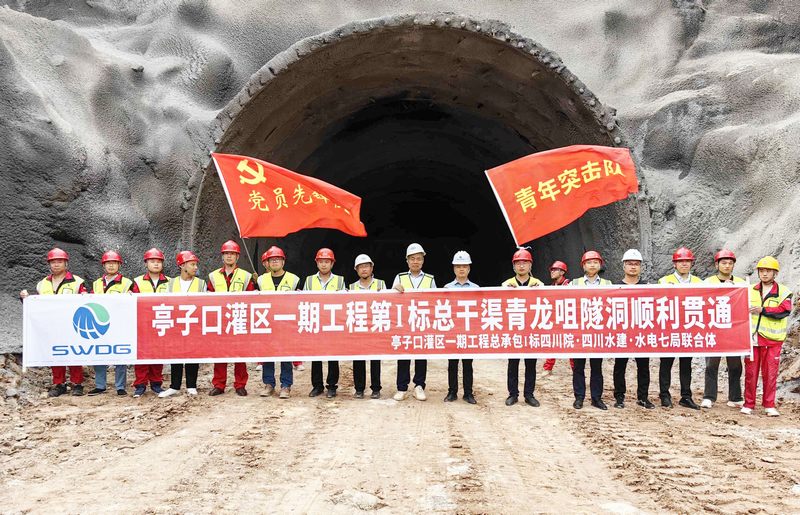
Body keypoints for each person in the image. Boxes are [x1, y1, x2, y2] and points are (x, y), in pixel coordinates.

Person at [20, 248, 87, 397]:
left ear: (66, 263)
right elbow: (37, 305)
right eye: (53, 262)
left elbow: (87, 300)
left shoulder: (77, 282)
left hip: (72, 325)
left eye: (59, 261)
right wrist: (26, 298)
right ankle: (59, 384)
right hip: (51, 326)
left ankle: (77, 384)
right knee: (55, 354)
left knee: (74, 353)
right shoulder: (42, 284)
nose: (56, 264)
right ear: (49, 264)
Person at [743, 256, 792, 416]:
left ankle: (769, 405)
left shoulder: (784, 292)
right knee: (751, 373)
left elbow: (784, 311)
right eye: (762, 271)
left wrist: (762, 310)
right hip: (753, 339)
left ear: (775, 273)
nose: (764, 274)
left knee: (770, 373)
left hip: (772, 341)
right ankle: (748, 404)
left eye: (768, 271)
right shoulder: (749, 289)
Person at [207, 240, 257, 397]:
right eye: (226, 254)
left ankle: (240, 384)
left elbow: (251, 298)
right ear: (222, 256)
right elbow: (208, 298)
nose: (229, 256)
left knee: (240, 353)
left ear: (237, 257)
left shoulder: (246, 276)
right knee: (220, 353)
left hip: (238, 318)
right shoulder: (213, 276)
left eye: (232, 254)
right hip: (220, 320)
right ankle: (219, 384)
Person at [657, 247, 702, 410]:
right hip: (669, 328)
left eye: (687, 261)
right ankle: (664, 395)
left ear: (691, 264)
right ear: (674, 264)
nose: (684, 264)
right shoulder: (664, 281)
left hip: (689, 328)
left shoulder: (699, 282)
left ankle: (686, 396)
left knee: (686, 363)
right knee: (666, 362)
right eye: (680, 261)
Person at [701, 249, 746, 409]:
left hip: (733, 329)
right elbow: (703, 302)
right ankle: (709, 397)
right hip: (714, 328)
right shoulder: (708, 282)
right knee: (711, 364)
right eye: (724, 263)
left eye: (730, 263)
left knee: (735, 365)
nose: (727, 266)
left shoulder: (741, 283)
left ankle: (735, 397)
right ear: (717, 265)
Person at [392, 243, 436, 401]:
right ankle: (402, 388)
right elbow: (391, 299)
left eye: (418, 258)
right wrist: (395, 289)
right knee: (403, 354)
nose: (415, 261)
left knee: (421, 355)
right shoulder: (400, 277)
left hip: (422, 323)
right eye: (412, 258)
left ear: (423, 261)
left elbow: (435, 301)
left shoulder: (430, 279)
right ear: (407, 261)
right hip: (404, 323)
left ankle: (419, 386)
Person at [159, 251, 207, 397]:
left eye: (196, 264)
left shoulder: (201, 283)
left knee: (193, 354)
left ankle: (191, 385)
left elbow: (205, 303)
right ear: (182, 265)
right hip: (176, 324)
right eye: (192, 264)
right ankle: (174, 386)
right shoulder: (171, 283)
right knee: (176, 355)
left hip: (193, 324)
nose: (195, 267)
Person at [612, 249, 654, 409]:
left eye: (636, 264)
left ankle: (643, 397)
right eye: (630, 263)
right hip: (622, 332)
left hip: (641, 332)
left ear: (641, 267)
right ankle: (619, 397)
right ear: (624, 266)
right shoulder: (616, 287)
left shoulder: (647, 288)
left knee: (643, 366)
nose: (633, 267)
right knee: (619, 366)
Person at [257, 246, 300, 399]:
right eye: (272, 259)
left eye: (277, 259)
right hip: (267, 321)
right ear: (267, 263)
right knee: (268, 353)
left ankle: (286, 385)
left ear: (283, 262)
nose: (275, 262)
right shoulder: (261, 280)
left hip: (286, 323)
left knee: (286, 355)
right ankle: (269, 384)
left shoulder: (294, 279)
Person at [571, 250, 612, 410]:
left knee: (597, 367)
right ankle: (579, 397)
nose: (592, 265)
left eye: (595, 262)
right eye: (589, 262)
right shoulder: (574, 283)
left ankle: (596, 398)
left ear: (600, 265)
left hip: (598, 333)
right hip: (580, 332)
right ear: (583, 266)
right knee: (578, 367)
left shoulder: (608, 284)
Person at [501, 248, 543, 407]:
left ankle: (529, 394)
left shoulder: (538, 284)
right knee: (513, 364)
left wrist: (538, 293)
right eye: (518, 263)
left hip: (531, 330)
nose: (521, 266)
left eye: (525, 262)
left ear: (530, 265)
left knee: (530, 364)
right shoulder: (506, 285)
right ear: (513, 266)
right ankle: (512, 394)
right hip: (514, 331)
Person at [88, 251, 133, 396]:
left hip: (120, 323)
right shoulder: (96, 283)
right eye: (108, 263)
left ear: (119, 265)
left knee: (120, 354)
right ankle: (100, 385)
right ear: (104, 265)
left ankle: (120, 386)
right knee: (99, 353)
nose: (111, 265)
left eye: (114, 263)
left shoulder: (127, 283)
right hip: (100, 323)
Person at [304, 248, 346, 398]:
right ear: (316, 263)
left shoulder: (340, 280)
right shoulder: (309, 280)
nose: (324, 264)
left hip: (332, 323)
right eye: (321, 261)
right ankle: (317, 386)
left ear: (332, 264)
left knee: (333, 356)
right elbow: (304, 301)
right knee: (316, 356)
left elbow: (344, 301)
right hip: (316, 322)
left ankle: (332, 386)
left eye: (327, 262)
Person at [130, 248, 170, 398]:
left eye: (159, 261)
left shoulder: (170, 282)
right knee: (142, 354)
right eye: (152, 261)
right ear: (146, 263)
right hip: (143, 323)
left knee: (158, 354)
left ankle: (156, 383)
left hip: (161, 322)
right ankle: (140, 385)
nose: (156, 264)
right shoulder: (137, 281)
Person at [443, 251, 479, 404]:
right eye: (458, 266)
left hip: (468, 331)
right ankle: (452, 392)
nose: (461, 269)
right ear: (454, 269)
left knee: (467, 364)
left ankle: (468, 393)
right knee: (452, 363)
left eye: (464, 266)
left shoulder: (476, 288)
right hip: (453, 331)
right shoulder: (447, 288)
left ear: (469, 268)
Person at [349, 253, 386, 399]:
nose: (364, 269)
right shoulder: (352, 287)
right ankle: (359, 389)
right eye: (360, 267)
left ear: (371, 268)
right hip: (359, 327)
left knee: (375, 359)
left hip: (375, 326)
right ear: (356, 269)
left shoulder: (381, 284)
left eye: (366, 266)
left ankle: (376, 388)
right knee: (358, 359)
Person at [542, 260, 573, 377]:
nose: (552, 272)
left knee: (571, 344)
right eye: (552, 270)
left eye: (555, 270)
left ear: (562, 272)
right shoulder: (552, 286)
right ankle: (547, 368)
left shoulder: (570, 285)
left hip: (567, 319)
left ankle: (575, 369)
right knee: (553, 343)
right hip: (555, 319)